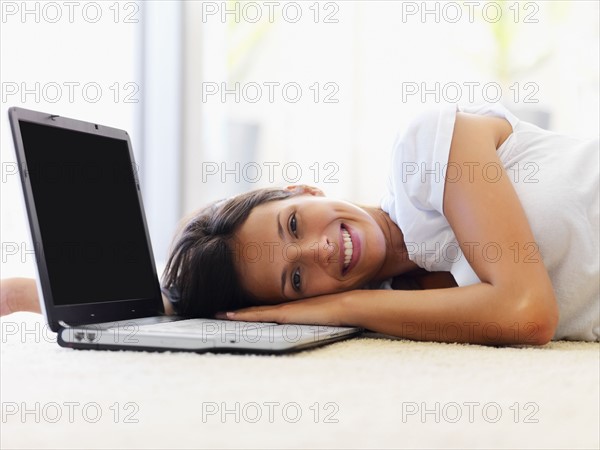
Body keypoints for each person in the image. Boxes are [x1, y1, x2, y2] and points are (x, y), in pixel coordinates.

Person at [2, 103, 598, 346]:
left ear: (301, 187)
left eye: (292, 224)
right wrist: (39, 295)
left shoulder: (426, 151)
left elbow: (527, 312)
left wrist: (335, 308)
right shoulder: (406, 301)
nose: (319, 249)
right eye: (294, 281)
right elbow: (203, 312)